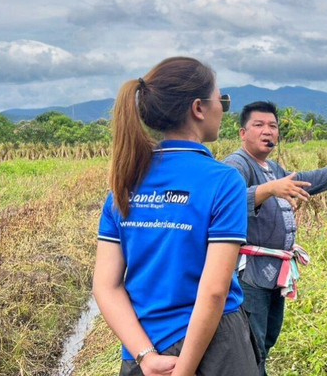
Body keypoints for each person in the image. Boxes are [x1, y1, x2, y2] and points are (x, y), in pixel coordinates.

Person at [92, 57, 260, 376]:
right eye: (221, 100)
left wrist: (145, 357)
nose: (223, 109)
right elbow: (213, 291)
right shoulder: (223, 181)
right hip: (216, 346)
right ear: (199, 108)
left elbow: (105, 286)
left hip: (142, 344)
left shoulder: (122, 184)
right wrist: (184, 370)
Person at [223, 101, 327, 375]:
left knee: (268, 334)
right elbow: (226, 203)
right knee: (251, 341)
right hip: (249, 271)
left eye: (273, 126)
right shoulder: (236, 165)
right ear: (243, 133)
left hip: (275, 270)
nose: (268, 131)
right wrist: (269, 189)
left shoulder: (271, 166)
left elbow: (296, 179)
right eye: (259, 125)